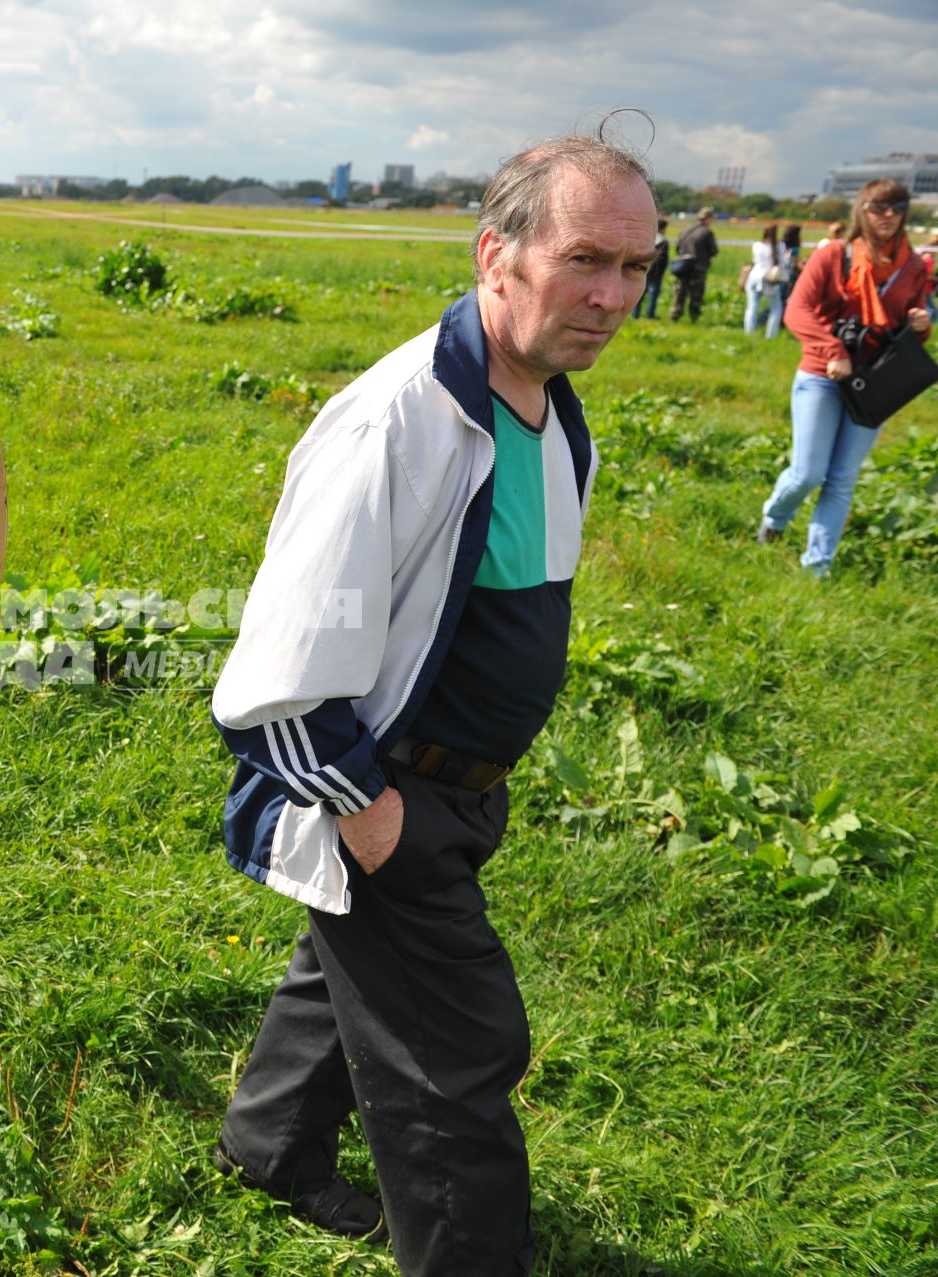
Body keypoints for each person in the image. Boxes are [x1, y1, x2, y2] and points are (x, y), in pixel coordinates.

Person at [210, 133, 654, 1274]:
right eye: (586, 260)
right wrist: (380, 820)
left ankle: (269, 1143)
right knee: (458, 1052)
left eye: (637, 267)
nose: (613, 297)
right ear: (495, 255)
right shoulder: (395, 422)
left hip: (460, 794)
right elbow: (274, 685)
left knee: (347, 970)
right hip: (390, 798)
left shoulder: (553, 409)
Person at [758, 179, 933, 574]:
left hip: (876, 382)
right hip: (822, 374)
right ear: (861, 209)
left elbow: (913, 323)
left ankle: (817, 566)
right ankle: (775, 518)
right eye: (878, 206)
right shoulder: (834, 255)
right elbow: (796, 311)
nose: (888, 214)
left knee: (841, 479)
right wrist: (833, 350)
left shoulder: (912, 266)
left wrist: (921, 325)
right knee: (807, 473)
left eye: (897, 205)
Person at [670, 206, 719, 321]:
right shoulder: (707, 232)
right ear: (707, 218)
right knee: (696, 294)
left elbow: (677, 248)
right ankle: (694, 317)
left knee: (679, 292)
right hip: (698, 267)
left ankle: (675, 314)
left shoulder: (685, 230)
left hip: (682, 266)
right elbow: (713, 251)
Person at [743, 222, 788, 338]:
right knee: (776, 309)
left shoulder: (757, 245)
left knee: (752, 307)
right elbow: (784, 262)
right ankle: (771, 335)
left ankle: (749, 333)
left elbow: (756, 260)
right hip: (769, 278)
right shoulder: (780, 246)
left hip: (755, 276)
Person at [634, 216, 669, 319]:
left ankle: (635, 313)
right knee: (653, 294)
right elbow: (664, 260)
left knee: (640, 293)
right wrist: (662, 273)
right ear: (663, 228)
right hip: (656, 272)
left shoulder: (648, 238)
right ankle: (650, 314)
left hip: (643, 269)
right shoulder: (663, 241)